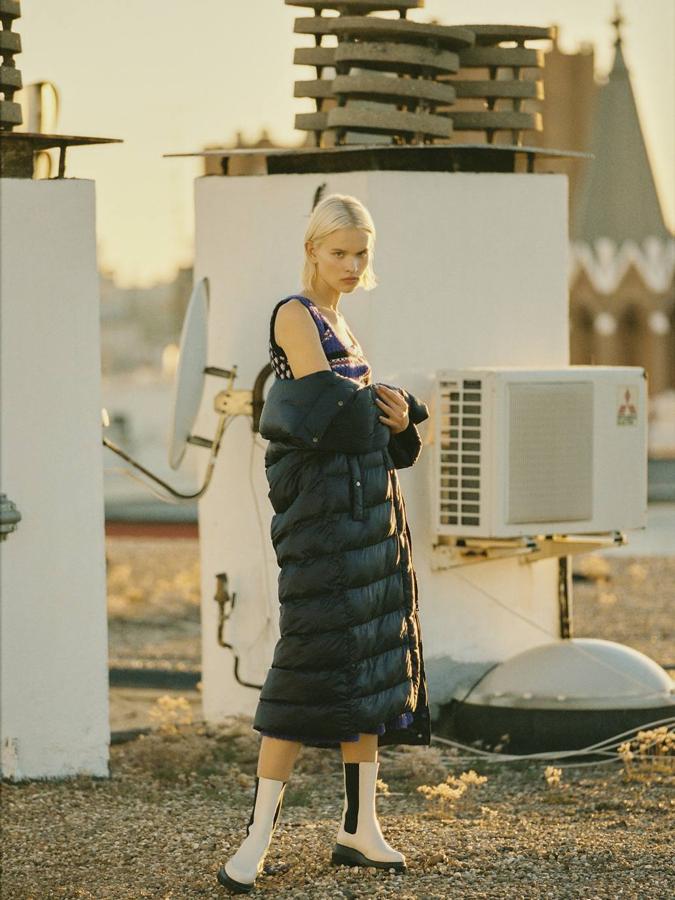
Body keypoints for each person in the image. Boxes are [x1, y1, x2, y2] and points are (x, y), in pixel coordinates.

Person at [218, 193, 431, 894]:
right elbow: (326, 414)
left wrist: (399, 422)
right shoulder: (295, 314)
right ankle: (256, 839)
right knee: (304, 665)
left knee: (367, 664)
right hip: (323, 525)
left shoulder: (344, 324)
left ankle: (359, 827)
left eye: (360, 253)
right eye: (338, 252)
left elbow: (360, 421)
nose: (351, 264)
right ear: (312, 249)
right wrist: (395, 407)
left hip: (366, 520)